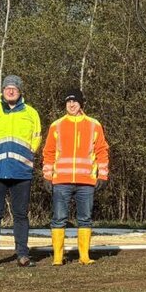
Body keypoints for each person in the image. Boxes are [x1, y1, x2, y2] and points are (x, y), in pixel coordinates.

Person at [0, 74, 42, 268]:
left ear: (20, 91)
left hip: (21, 171)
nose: (10, 91)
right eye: (7, 88)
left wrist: (27, 155)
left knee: (21, 214)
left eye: (14, 88)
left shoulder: (31, 113)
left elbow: (36, 138)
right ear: (2, 91)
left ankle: (22, 254)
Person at [42, 87, 109, 266]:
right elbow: (48, 152)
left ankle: (84, 256)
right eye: (68, 101)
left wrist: (102, 175)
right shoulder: (56, 125)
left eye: (75, 101)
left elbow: (101, 151)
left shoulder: (94, 124)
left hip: (86, 180)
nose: (71, 104)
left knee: (85, 218)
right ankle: (57, 257)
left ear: (81, 104)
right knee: (59, 218)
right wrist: (47, 176)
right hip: (61, 180)